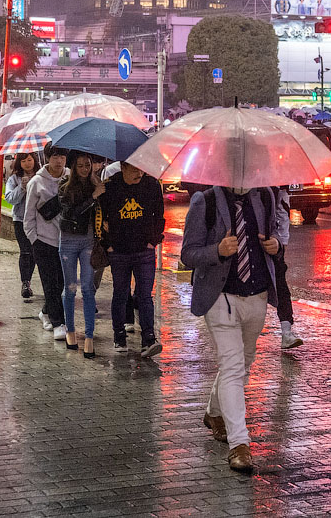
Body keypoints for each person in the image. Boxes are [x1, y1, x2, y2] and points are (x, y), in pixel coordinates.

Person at [181, 184, 289, 473]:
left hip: (258, 296)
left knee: (243, 364)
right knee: (232, 366)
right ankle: (239, 445)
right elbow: (188, 254)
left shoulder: (265, 196)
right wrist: (217, 250)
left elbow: (278, 235)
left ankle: (214, 412)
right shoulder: (205, 201)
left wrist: (276, 244)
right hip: (221, 298)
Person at [99, 161, 165, 356]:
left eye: (141, 169)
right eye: (134, 169)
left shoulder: (152, 185)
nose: (139, 174)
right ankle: (119, 336)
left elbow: (159, 215)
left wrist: (153, 240)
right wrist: (108, 244)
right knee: (120, 293)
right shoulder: (111, 187)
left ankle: (149, 338)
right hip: (119, 251)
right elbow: (101, 217)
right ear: (123, 168)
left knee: (145, 295)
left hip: (144, 250)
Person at [56, 152, 104, 357]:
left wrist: (99, 191)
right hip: (68, 241)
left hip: (88, 240)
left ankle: (90, 336)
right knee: (70, 288)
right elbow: (71, 213)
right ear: (74, 167)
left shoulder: (97, 184)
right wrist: (93, 197)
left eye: (88, 165)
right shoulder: (64, 185)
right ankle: (70, 330)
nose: (85, 169)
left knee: (88, 288)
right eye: (81, 166)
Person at [24, 145, 68, 341]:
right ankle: (59, 323)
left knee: (62, 284)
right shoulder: (36, 182)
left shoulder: (70, 178)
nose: (59, 161)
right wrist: (35, 239)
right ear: (48, 157)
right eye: (55, 156)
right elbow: (29, 215)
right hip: (44, 241)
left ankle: (45, 311)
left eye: (62, 156)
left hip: (67, 241)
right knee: (50, 283)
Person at [4, 152, 39, 299]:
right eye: (24, 161)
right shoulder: (14, 179)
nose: (27, 163)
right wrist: (22, 188)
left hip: (38, 220)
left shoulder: (41, 178)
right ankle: (25, 283)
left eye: (30, 160)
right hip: (20, 220)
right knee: (25, 251)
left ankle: (31, 280)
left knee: (35, 252)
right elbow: (9, 199)